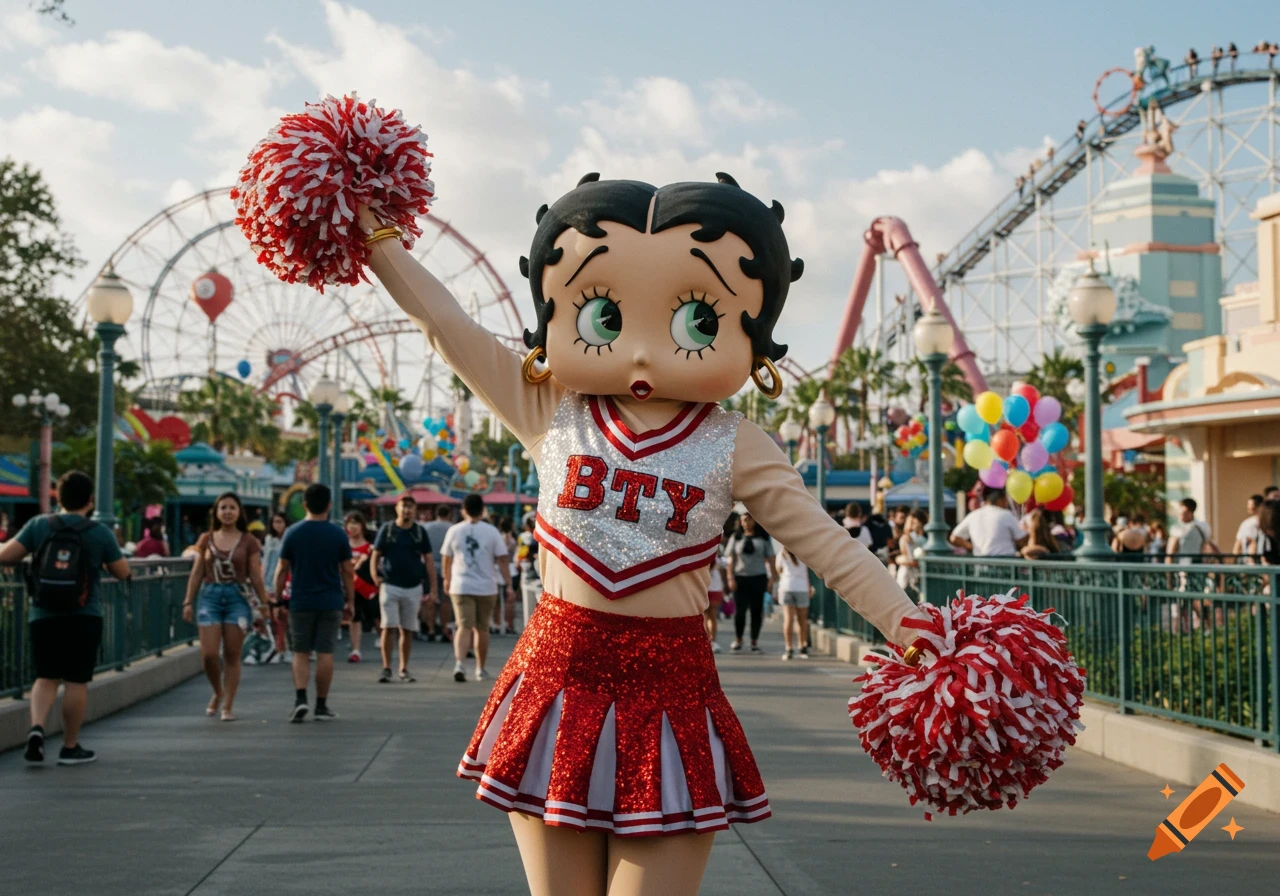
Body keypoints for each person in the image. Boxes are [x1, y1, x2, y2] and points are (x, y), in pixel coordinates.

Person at [349, 171, 931, 895]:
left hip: (672, 698)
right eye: (601, 315)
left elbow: (827, 546)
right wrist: (378, 241)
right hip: (558, 685)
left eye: (698, 321)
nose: (646, 352)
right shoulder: (549, 407)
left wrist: (920, 632)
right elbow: (449, 327)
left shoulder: (735, 443)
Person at [0, 471, 131, 765]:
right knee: (76, 680)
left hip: (43, 613)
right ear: (90, 500)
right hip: (84, 615)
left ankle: (36, 729)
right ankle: (70, 747)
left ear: (59, 495)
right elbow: (122, 572)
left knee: (45, 676)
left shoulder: (38, 525)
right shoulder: (99, 532)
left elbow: (7, 556)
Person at [181, 492, 270, 721]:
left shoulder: (249, 541)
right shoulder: (206, 539)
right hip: (210, 596)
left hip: (237, 598)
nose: (228, 512)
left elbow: (255, 575)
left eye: (232, 507)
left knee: (232, 654)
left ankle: (228, 705)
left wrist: (264, 603)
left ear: (239, 512)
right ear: (216, 512)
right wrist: (188, 601)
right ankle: (218, 691)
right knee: (209, 655)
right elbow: (198, 571)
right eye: (223, 508)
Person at [272, 483, 353, 722]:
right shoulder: (338, 534)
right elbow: (347, 570)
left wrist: (277, 601)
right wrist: (350, 599)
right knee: (325, 652)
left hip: (300, 601)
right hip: (331, 601)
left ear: (304, 504)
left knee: (300, 652)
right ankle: (321, 705)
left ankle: (300, 699)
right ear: (329, 504)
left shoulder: (292, 533)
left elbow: (281, 569)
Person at [440, 493, 507, 682]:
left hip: (461, 585)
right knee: (482, 628)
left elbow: (446, 557)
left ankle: (459, 663)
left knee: (463, 626)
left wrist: (446, 579)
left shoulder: (454, 530)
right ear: (482, 509)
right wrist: (508, 583)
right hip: (487, 586)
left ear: (464, 510)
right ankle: (480, 668)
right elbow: (502, 557)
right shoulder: (492, 531)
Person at [370, 494, 437, 682]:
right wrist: (375, 575)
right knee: (387, 627)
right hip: (390, 585)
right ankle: (386, 667)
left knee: (407, 629)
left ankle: (404, 668)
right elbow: (376, 554)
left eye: (410, 507)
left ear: (415, 510)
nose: (407, 510)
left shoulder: (419, 532)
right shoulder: (388, 529)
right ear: (397, 508)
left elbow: (429, 560)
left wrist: (433, 587)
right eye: (403, 506)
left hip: (413, 587)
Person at [724, 510, 777, 652]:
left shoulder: (763, 538)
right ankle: (739, 639)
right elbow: (730, 560)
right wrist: (730, 578)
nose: (746, 522)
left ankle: (754, 641)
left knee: (756, 611)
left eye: (749, 519)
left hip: (758, 577)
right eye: (744, 520)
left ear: (755, 521)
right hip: (740, 577)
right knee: (740, 611)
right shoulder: (736, 537)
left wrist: (772, 578)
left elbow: (771, 558)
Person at [948, 486, 1028, 557]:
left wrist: (973, 547)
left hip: (981, 564)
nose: (1006, 504)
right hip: (1005, 564)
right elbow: (1022, 541)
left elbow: (954, 538)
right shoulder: (1006, 515)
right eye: (1005, 500)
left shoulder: (973, 515)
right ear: (999, 500)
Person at [345, 510, 379, 662]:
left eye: (355, 523)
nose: (352, 527)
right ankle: (355, 649)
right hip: (351, 588)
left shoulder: (371, 546)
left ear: (362, 526)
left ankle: (383, 639)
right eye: (349, 524)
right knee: (354, 617)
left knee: (377, 616)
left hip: (370, 587)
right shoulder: (343, 545)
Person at [420, 504, 456, 641]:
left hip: (429, 566)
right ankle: (444, 628)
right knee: (445, 600)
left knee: (430, 598)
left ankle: (430, 629)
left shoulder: (426, 527)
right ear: (449, 514)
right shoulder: (453, 528)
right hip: (448, 567)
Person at [774, 545, 812, 660]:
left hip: (786, 587)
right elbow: (806, 572)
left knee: (788, 619)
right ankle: (802, 644)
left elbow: (779, 571)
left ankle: (789, 647)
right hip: (802, 588)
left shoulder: (781, 554)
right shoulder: (803, 551)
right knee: (802, 620)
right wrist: (809, 586)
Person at [494, 515, 519, 635]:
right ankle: (509, 624)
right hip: (511, 568)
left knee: (498, 600)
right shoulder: (513, 538)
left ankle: (497, 624)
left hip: (498, 569)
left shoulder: (498, 537)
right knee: (510, 600)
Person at [894, 509, 927, 594]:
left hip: (909, 576)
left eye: (912, 522)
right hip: (913, 576)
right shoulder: (911, 538)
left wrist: (899, 559)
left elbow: (912, 560)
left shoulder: (909, 538)